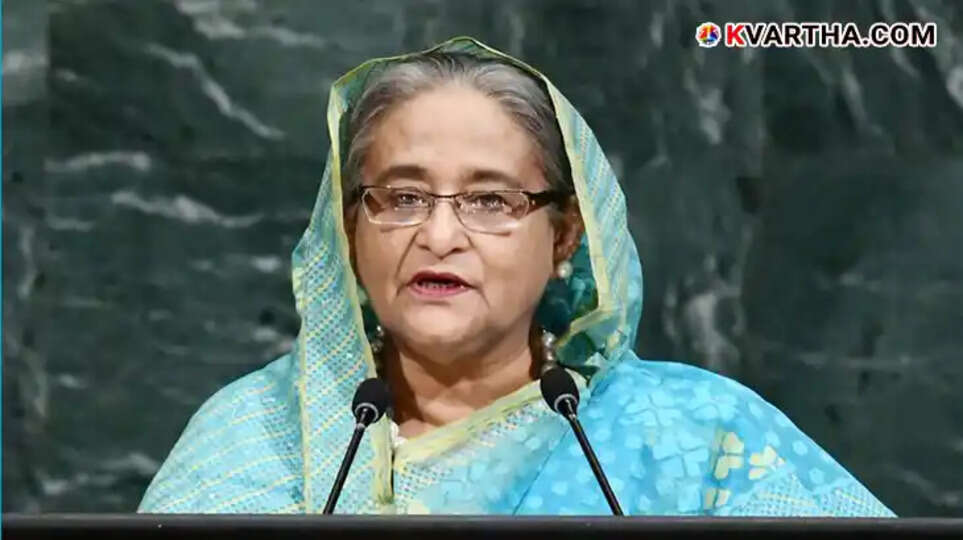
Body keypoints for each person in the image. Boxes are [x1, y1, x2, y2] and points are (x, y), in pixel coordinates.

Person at [138, 36, 895, 516]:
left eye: (489, 200)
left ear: (563, 235)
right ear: (349, 230)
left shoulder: (694, 438)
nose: (439, 236)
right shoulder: (252, 435)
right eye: (401, 197)